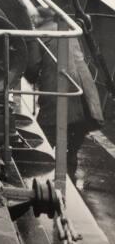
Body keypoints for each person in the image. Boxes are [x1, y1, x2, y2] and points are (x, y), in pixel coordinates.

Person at [26, 34, 104, 183]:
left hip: (59, 101)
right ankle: (69, 189)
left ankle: (47, 189)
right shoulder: (68, 30)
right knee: (72, 151)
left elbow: (31, 72)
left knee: (41, 147)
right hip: (86, 100)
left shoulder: (39, 34)